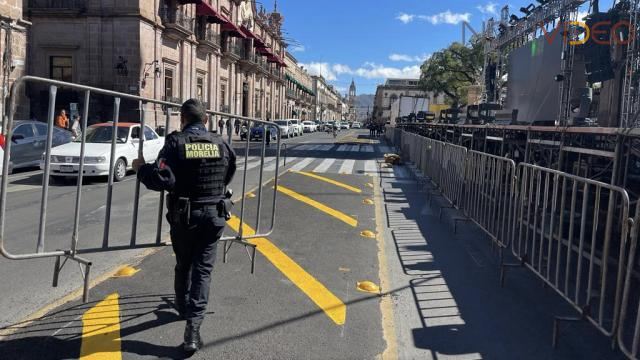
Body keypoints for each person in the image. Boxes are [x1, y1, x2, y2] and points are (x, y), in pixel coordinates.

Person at [133, 99, 236, 353]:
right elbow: (229, 172)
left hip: (185, 216)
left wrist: (140, 169)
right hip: (214, 214)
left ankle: (182, 307)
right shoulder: (220, 143)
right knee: (203, 270)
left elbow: (162, 179)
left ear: (182, 119)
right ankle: (193, 330)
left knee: (184, 264)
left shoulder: (175, 143)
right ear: (207, 119)